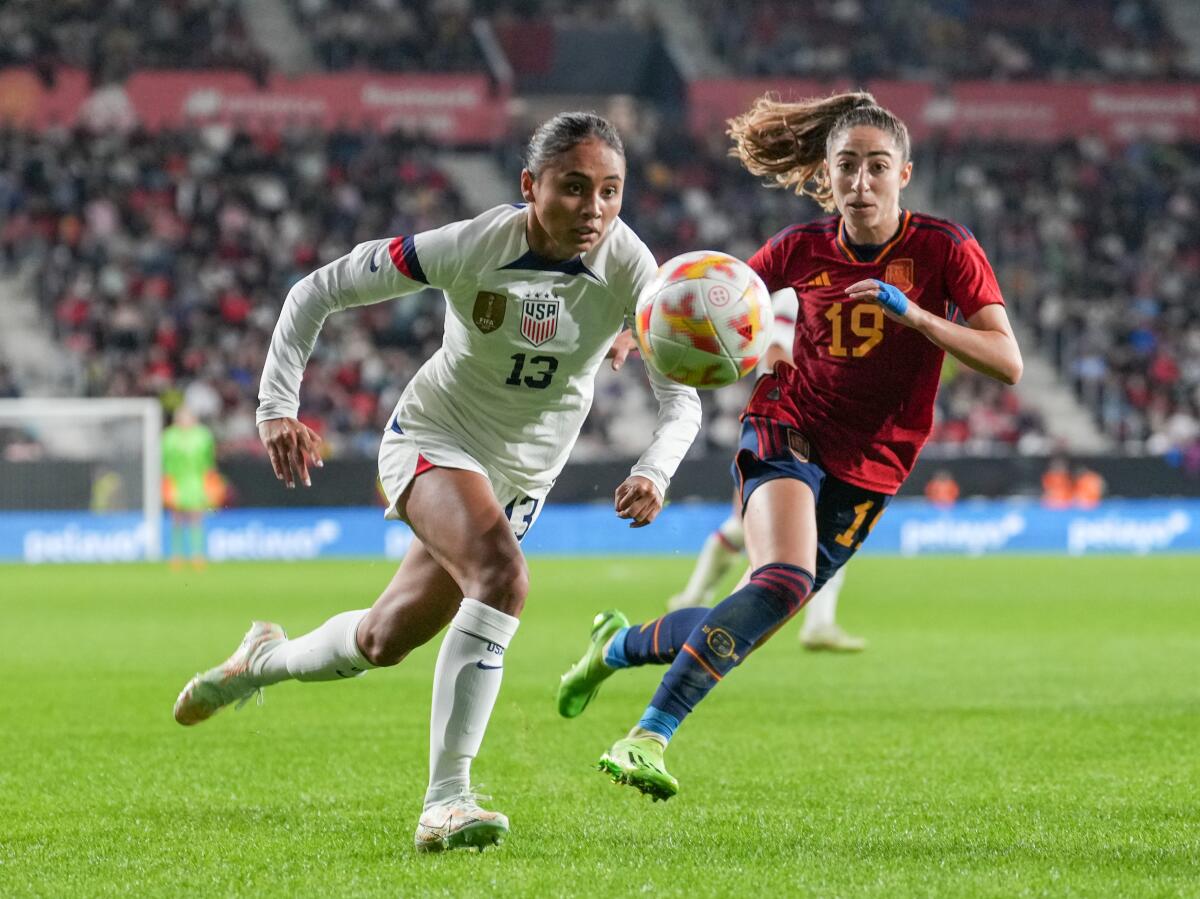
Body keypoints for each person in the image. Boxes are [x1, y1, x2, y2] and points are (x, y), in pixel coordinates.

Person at [172, 113, 702, 850]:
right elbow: (316, 290)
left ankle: (261, 659)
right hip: (433, 438)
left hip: (520, 478)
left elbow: (683, 397)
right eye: (574, 188)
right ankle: (446, 800)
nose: (595, 209)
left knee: (383, 638)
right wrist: (275, 407)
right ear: (530, 186)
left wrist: (654, 467)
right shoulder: (470, 245)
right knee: (502, 576)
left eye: (610, 191)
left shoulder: (634, 270)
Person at [557, 90, 1023, 800]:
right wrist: (642, 326)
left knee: (758, 609)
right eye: (846, 166)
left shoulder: (943, 248)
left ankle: (617, 645)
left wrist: (919, 317)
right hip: (788, 425)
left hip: (874, 464)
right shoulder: (799, 247)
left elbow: (1007, 360)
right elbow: (711, 293)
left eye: (876, 166)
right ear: (826, 176)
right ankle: (647, 735)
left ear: (905, 173)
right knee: (783, 579)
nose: (860, 182)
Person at [666, 289, 866, 652]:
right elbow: (774, 351)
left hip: (812, 426)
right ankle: (694, 607)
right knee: (760, 528)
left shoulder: (832, 293)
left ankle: (693, 600)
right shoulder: (797, 294)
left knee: (819, 531)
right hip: (787, 426)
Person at [161, 405, 219, 569]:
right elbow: (165, 462)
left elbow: (209, 461)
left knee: (196, 517)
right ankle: (176, 555)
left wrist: (210, 482)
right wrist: (167, 483)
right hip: (176, 481)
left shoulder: (203, 436)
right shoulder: (169, 437)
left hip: (197, 481)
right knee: (176, 518)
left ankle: (197, 555)